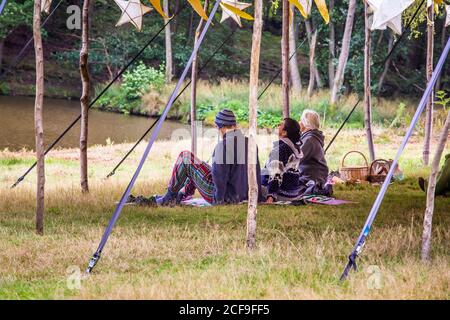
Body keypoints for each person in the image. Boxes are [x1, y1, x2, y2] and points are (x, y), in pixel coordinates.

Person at [144, 109, 262, 206]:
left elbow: (220, 178)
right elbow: (256, 174)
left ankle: (169, 197)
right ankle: (181, 194)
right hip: (244, 194)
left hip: (226, 197)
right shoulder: (251, 143)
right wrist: (259, 197)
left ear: (220, 127)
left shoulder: (224, 145)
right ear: (234, 125)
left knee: (185, 158)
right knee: (200, 164)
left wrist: (219, 201)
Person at [262, 118, 304, 203]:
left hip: (281, 194)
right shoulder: (295, 148)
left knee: (250, 180)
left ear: (284, 133)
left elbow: (276, 175)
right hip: (293, 193)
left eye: (281, 124)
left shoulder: (281, 149)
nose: (278, 125)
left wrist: (271, 196)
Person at [297, 109, 331, 196]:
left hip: (312, 178)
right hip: (313, 175)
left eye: (301, 120)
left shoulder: (310, 140)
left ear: (306, 123)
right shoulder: (310, 137)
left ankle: (316, 189)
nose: (299, 122)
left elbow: (296, 159)